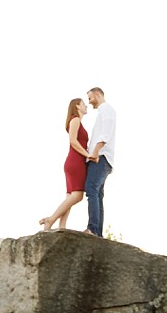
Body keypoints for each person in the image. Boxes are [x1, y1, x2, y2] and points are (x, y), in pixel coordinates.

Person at [39, 97, 90, 231]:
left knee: (70, 196)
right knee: (78, 195)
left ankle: (61, 226)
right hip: (75, 161)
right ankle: (51, 219)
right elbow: (73, 141)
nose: (87, 106)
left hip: (75, 161)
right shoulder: (75, 119)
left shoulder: (77, 121)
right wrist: (87, 154)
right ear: (77, 106)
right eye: (84, 104)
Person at [83, 87, 116, 238]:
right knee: (97, 193)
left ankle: (93, 229)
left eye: (90, 98)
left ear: (98, 95)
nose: (89, 102)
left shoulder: (107, 110)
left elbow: (105, 134)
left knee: (91, 189)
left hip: (101, 158)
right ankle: (97, 232)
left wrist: (95, 152)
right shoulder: (103, 112)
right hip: (100, 157)